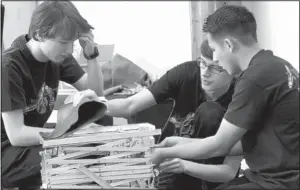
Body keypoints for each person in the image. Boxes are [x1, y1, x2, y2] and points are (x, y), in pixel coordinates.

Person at [150, 5, 299, 189]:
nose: (216, 58)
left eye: (214, 49)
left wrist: (163, 154)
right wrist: (179, 143)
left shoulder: (255, 77)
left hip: (280, 182)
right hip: (272, 176)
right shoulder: (278, 66)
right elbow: (236, 146)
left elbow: (219, 145)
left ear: (228, 45)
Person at [106, 39, 242, 190]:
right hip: (171, 160)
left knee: (210, 112)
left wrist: (184, 165)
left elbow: (229, 172)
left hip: (209, 175)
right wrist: (93, 105)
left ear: (233, 71)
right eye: (202, 63)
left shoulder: (242, 97)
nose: (205, 72)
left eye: (215, 68)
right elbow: (130, 105)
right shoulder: (186, 73)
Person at [1, 1, 104, 189]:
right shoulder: (9, 65)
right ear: (40, 34)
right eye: (64, 42)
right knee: (74, 152)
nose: (69, 50)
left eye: (72, 42)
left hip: (32, 145)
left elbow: (97, 94)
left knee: (94, 142)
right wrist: (71, 134)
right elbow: (17, 134)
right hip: (6, 150)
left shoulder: (56, 55)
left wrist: (91, 55)